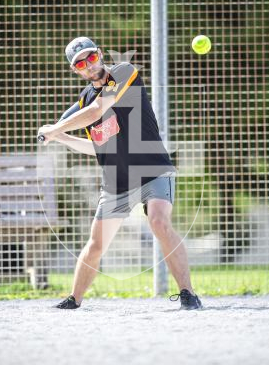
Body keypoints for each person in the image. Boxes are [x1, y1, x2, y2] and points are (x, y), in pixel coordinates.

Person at [38, 37, 202, 310]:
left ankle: (188, 293)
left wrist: (54, 129)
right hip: (118, 181)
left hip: (153, 171)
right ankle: (73, 299)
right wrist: (61, 137)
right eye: (80, 64)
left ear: (100, 54)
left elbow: (96, 110)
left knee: (159, 223)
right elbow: (96, 147)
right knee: (96, 243)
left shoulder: (124, 72)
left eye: (91, 58)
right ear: (75, 70)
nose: (89, 66)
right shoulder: (84, 100)